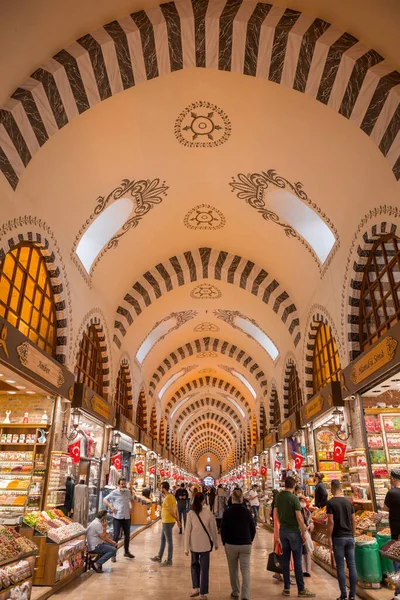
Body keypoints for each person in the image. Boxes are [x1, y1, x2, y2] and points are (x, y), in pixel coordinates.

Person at [275, 476, 315, 597]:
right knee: (297, 561)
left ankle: (286, 588)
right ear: (293, 486)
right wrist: (303, 532)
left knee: (286, 560)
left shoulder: (278, 497)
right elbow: (298, 517)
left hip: (283, 531)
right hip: (294, 532)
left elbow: (277, 513)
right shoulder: (294, 498)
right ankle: (301, 589)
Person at [221, 488, 256, 600]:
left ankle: (235, 592)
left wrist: (224, 542)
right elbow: (253, 529)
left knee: (233, 570)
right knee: (245, 571)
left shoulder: (227, 512)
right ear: (241, 498)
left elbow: (223, 529)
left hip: (231, 544)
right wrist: (249, 540)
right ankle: (245, 595)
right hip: (245, 544)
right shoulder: (247, 512)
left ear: (232, 499)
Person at [185, 492, 219, 600]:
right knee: (204, 569)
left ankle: (196, 587)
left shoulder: (190, 513)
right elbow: (213, 529)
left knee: (194, 566)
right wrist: (216, 542)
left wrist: (186, 547)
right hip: (205, 545)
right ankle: (202, 593)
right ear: (203, 500)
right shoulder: (208, 513)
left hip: (194, 545)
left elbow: (187, 532)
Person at [327, 479, 357, 600]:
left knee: (340, 566)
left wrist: (329, 536)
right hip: (349, 537)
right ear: (340, 488)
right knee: (352, 565)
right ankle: (353, 595)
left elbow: (330, 521)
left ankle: (343, 594)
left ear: (332, 488)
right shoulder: (348, 502)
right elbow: (354, 520)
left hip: (338, 538)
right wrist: (353, 534)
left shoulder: (330, 503)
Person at [151, 481, 181, 566]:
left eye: (161, 487)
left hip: (167, 521)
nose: (160, 489)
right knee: (163, 539)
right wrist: (177, 519)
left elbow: (171, 510)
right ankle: (159, 556)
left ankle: (169, 560)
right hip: (167, 521)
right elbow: (176, 508)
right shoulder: (171, 496)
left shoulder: (168, 498)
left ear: (164, 488)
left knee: (169, 541)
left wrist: (177, 519)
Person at [103, 478, 135, 560]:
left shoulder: (127, 492)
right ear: (118, 485)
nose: (123, 485)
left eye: (124, 484)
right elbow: (105, 499)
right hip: (117, 516)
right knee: (116, 535)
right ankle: (113, 554)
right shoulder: (114, 493)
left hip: (126, 516)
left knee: (127, 535)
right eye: (122, 484)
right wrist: (111, 507)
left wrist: (131, 508)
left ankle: (126, 552)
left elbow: (130, 501)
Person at [384, 470, 400, 600]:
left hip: (396, 532)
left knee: (397, 560)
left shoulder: (391, 493)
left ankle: (398, 593)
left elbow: (385, 508)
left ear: (394, 479)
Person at [294, 486, 313, 577]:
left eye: (304, 501)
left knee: (307, 552)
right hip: (299, 534)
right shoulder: (295, 511)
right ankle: (301, 570)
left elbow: (311, 522)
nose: (303, 503)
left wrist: (309, 526)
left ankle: (307, 570)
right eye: (301, 501)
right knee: (300, 553)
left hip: (306, 534)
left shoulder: (308, 512)